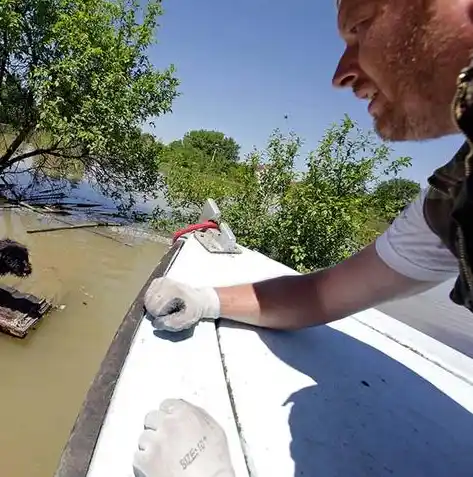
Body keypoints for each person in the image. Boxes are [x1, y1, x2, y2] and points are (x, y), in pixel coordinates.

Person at [135, 0, 473, 474]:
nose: (340, 73)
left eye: (360, 26)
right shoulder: (454, 197)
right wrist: (205, 298)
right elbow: (320, 295)